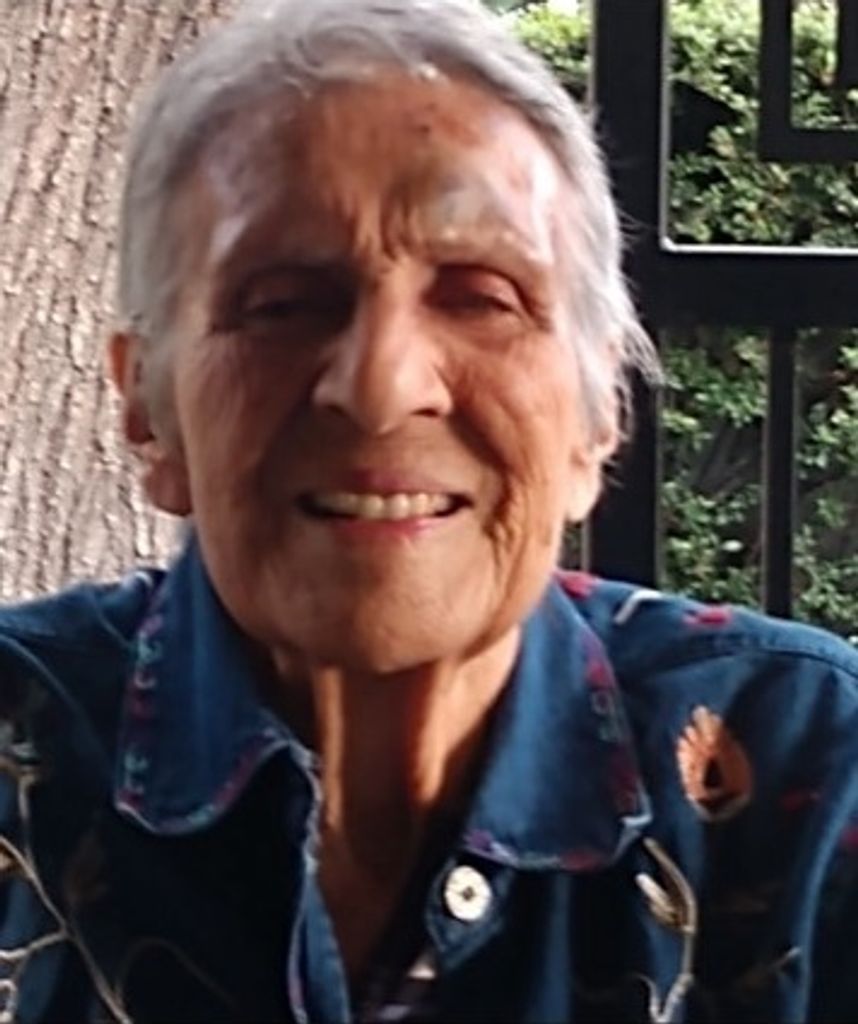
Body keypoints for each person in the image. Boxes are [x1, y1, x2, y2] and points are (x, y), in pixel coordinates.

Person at [1, 0, 856, 1020]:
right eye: (282, 304)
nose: (379, 387)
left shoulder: (812, 771)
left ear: (597, 419)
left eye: (482, 297)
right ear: (149, 412)